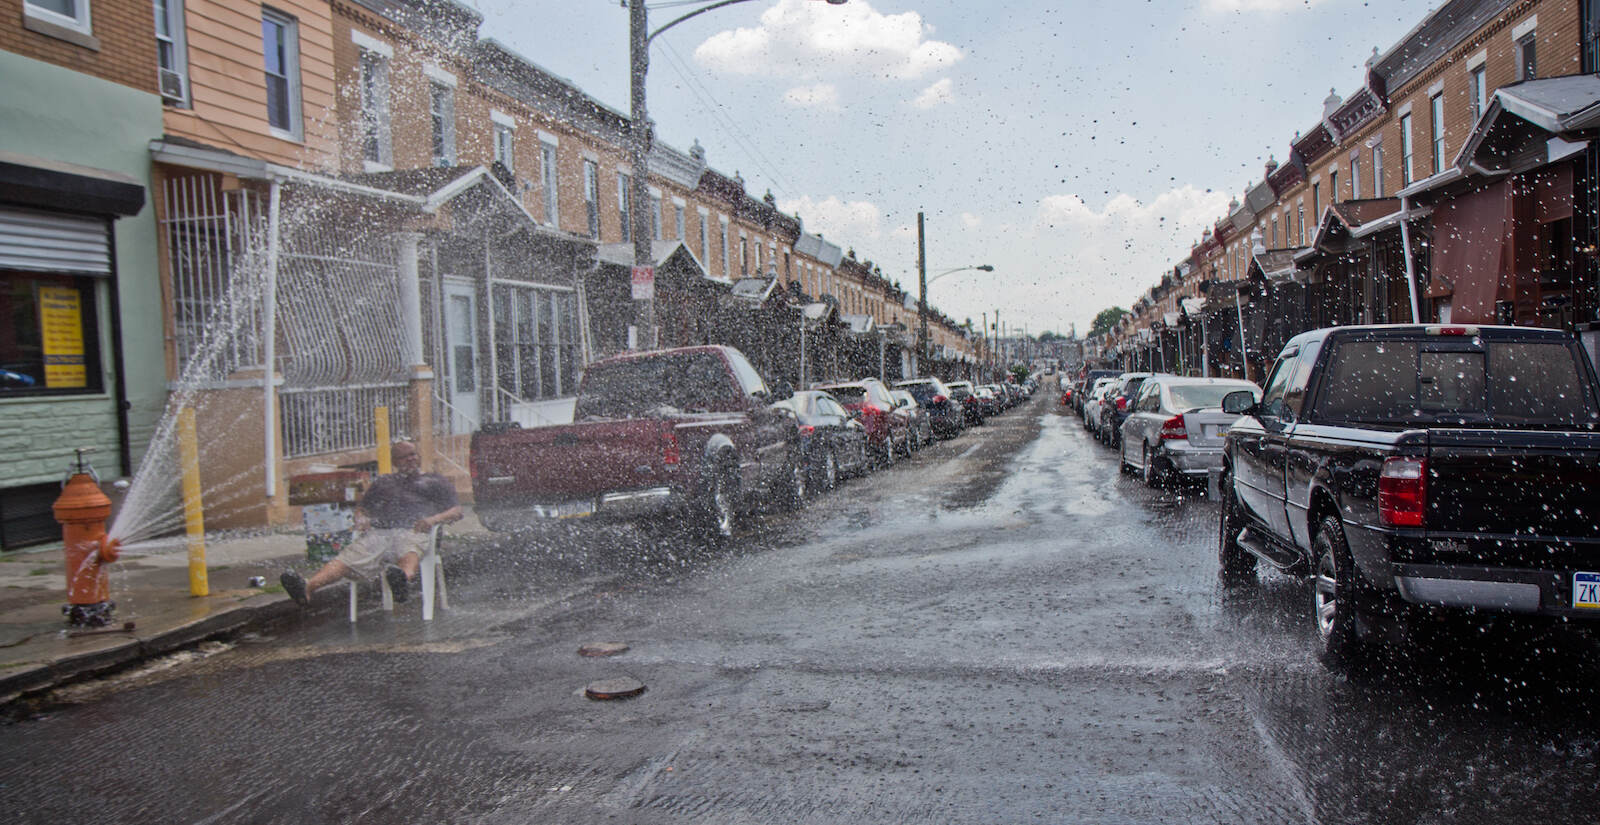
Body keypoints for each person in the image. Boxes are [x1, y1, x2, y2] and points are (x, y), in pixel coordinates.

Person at [280, 441, 461, 607]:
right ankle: (307, 588)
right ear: (395, 462)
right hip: (379, 533)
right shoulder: (384, 482)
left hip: (415, 530)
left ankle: (402, 580)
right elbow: (363, 509)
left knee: (408, 547)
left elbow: (456, 511)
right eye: (404, 457)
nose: (410, 459)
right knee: (347, 558)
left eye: (413, 454)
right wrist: (361, 518)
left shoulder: (434, 481)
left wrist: (433, 519)